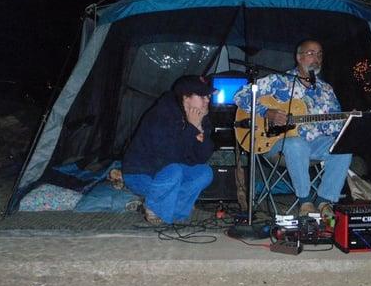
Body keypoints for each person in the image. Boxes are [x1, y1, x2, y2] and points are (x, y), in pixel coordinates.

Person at [234, 39, 352, 216]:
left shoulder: (326, 89)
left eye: (319, 54)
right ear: (298, 57)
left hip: (314, 144)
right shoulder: (278, 81)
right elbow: (240, 96)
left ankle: (324, 200)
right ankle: (305, 202)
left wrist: (346, 121)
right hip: (276, 143)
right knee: (296, 143)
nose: (316, 58)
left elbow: (333, 126)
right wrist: (267, 112)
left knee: (343, 149)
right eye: (311, 53)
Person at [122, 75, 215, 224]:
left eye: (208, 96)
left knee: (204, 172)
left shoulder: (200, 117)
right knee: (175, 171)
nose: (207, 100)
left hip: (170, 175)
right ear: (186, 97)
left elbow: (201, 158)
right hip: (142, 175)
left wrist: (199, 130)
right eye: (202, 96)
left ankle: (167, 210)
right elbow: (168, 157)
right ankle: (156, 207)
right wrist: (191, 129)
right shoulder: (162, 114)